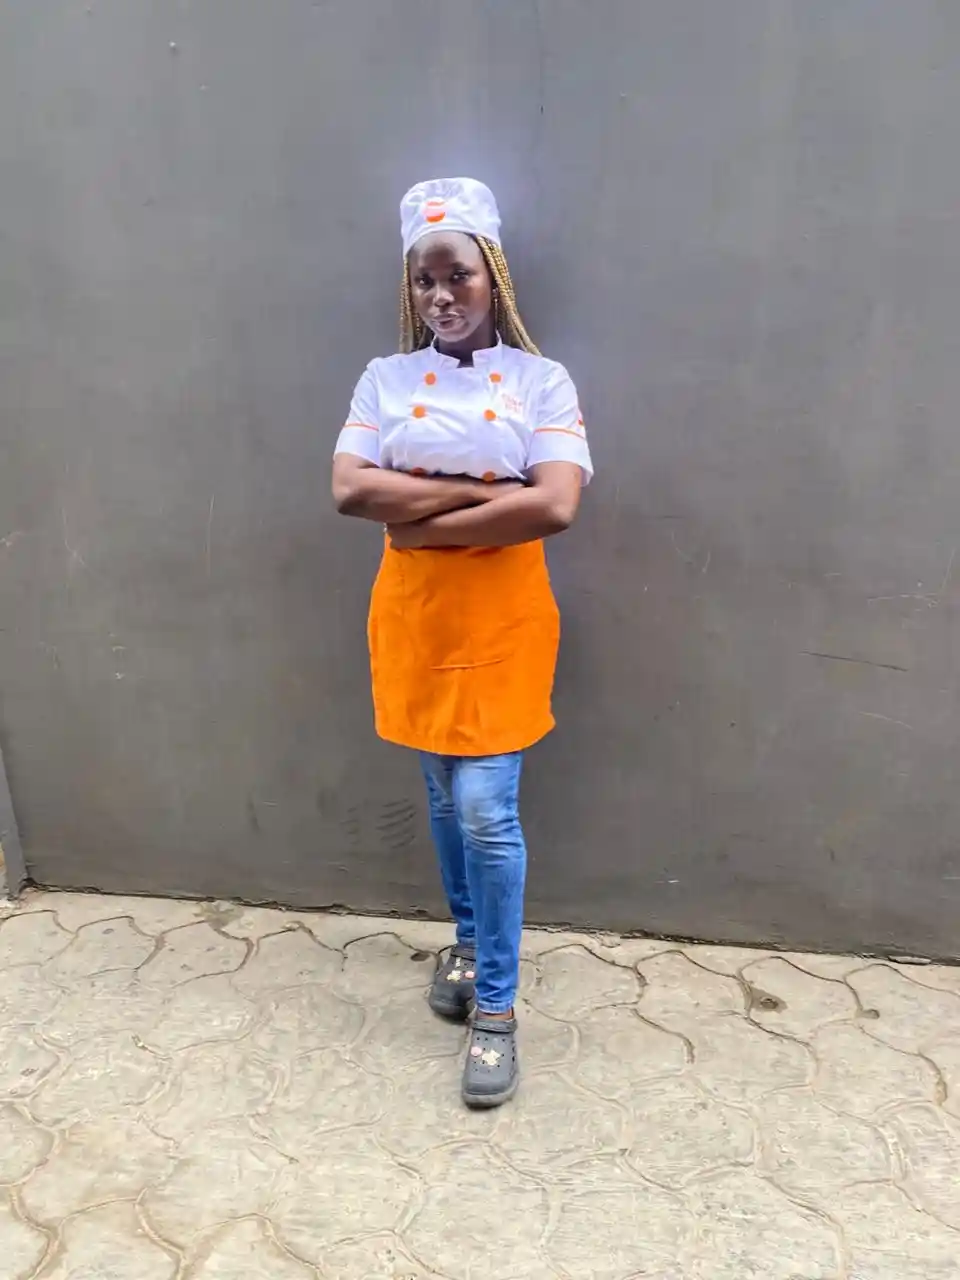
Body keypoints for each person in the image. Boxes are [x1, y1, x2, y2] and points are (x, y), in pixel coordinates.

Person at [332, 177, 593, 1108]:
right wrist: (488, 496)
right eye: (424, 280)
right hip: (415, 614)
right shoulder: (386, 379)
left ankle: (497, 1009)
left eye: (460, 275)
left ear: (496, 278)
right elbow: (351, 490)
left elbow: (554, 505)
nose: (442, 295)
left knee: (487, 808)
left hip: (503, 614)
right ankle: (471, 943)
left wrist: (418, 517)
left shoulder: (540, 381)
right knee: (444, 796)